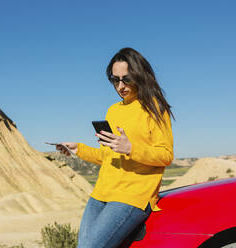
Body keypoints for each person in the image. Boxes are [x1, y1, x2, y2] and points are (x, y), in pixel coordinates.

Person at [57, 47, 174, 248]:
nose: (121, 85)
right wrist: (79, 149)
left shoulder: (154, 107)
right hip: (101, 193)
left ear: (140, 75)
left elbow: (166, 155)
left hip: (132, 196)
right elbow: (108, 156)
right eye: (115, 79)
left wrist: (131, 148)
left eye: (126, 79)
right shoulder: (113, 110)